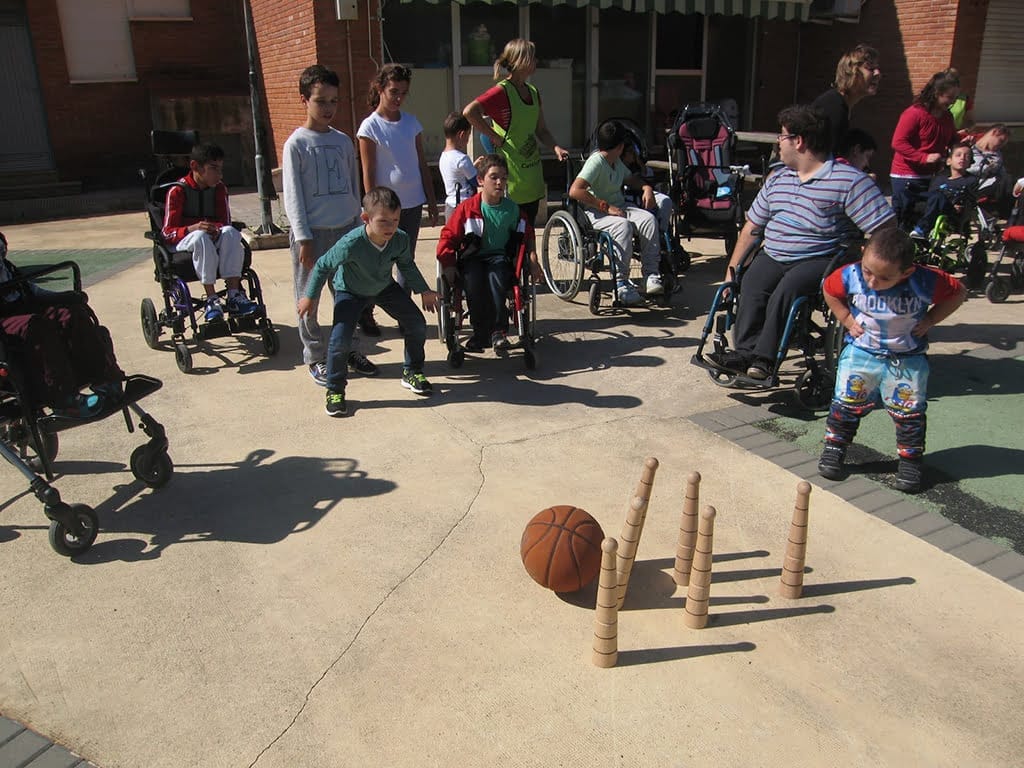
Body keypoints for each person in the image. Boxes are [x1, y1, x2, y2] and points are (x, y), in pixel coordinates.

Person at [710, 104, 896, 381]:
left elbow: (886, 229)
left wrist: (872, 268)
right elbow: (752, 228)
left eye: (781, 137)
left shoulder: (849, 181)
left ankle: (764, 360)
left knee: (789, 287)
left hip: (819, 258)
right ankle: (745, 353)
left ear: (799, 141)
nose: (778, 143)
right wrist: (732, 271)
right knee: (752, 282)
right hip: (774, 254)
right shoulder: (777, 179)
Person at [817, 228, 966, 493]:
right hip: (862, 352)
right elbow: (829, 289)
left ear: (906, 272)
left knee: (909, 413)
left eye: (884, 277)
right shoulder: (851, 274)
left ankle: (910, 462)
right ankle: (834, 447)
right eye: (868, 271)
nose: (873, 282)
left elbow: (958, 293)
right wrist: (847, 319)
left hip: (906, 359)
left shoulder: (925, 281)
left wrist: (931, 319)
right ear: (863, 255)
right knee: (846, 404)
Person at [297, 187, 438, 417]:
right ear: (366, 218)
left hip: (383, 287)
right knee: (340, 339)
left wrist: (423, 290)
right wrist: (310, 296)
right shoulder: (351, 243)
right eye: (383, 221)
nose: (390, 227)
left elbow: (406, 265)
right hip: (350, 291)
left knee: (416, 323)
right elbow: (323, 265)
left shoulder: (400, 239)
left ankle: (412, 371)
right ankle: (335, 390)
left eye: (395, 220)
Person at [283, 64, 377, 386]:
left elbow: (353, 189)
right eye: (321, 101)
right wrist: (304, 237)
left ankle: (349, 350)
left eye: (334, 101)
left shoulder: (341, 141)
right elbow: (293, 196)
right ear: (304, 100)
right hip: (313, 235)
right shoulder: (296, 144)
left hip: (345, 233)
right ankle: (315, 356)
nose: (328, 108)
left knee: (348, 296)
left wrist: (358, 228)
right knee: (309, 299)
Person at [0, 232, 123, 417]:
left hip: (20, 306)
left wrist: (64, 297)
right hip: (4, 321)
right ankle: (63, 398)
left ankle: (105, 378)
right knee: (36, 326)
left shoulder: (5, 266)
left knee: (71, 314)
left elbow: (28, 289)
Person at [357, 64, 438, 335]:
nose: (398, 97)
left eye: (404, 92)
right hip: (383, 209)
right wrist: (372, 208)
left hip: (412, 204)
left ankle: (404, 314)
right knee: (375, 262)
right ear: (380, 89)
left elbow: (421, 163)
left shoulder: (411, 122)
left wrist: (431, 199)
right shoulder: (370, 127)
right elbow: (368, 171)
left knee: (405, 258)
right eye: (393, 91)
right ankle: (366, 312)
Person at [436, 154, 542, 353]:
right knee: (473, 284)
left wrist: (533, 259)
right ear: (480, 180)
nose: (500, 182)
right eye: (494, 177)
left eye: (503, 177)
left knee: (497, 280)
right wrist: (449, 264)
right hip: (472, 258)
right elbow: (447, 237)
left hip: (499, 258)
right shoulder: (467, 209)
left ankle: (498, 332)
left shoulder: (513, 210)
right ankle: (480, 334)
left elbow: (527, 233)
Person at [463, 38, 570, 224]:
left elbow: (542, 130)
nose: (536, 61)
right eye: (532, 57)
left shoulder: (533, 91)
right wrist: (494, 137)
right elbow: (469, 112)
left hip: (532, 175)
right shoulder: (501, 92)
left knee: (528, 232)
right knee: (512, 235)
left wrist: (555, 148)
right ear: (520, 61)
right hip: (510, 178)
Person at [161, 143, 259, 323]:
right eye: (213, 169)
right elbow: (167, 233)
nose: (219, 175)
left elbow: (225, 222)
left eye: (221, 169)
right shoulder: (177, 191)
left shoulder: (219, 189)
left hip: (210, 236)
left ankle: (234, 295)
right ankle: (212, 299)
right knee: (200, 236)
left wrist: (216, 229)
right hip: (184, 241)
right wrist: (193, 228)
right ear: (195, 167)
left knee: (230, 232)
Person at [569, 120, 663, 306]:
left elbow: (630, 178)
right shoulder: (597, 161)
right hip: (596, 213)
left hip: (619, 208)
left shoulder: (615, 161)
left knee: (649, 219)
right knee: (623, 226)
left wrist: (646, 188)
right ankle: (621, 283)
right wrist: (605, 206)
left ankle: (650, 275)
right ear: (620, 146)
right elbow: (575, 191)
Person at [890, 69, 961, 231]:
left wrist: (963, 143)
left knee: (925, 217)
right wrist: (923, 157)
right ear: (937, 93)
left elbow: (952, 139)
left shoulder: (947, 117)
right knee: (903, 220)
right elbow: (898, 142)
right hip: (906, 175)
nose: (952, 102)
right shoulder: (914, 113)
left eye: (955, 99)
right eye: (949, 97)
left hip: (930, 176)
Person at [812, 44, 882, 156]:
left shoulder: (841, 104)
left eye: (877, 68)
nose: (878, 73)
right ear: (852, 71)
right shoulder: (833, 107)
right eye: (870, 68)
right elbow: (824, 158)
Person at [910, 142, 977, 239]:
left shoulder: (971, 180)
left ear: (970, 163)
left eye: (967, 156)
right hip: (933, 205)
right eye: (958, 155)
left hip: (951, 211)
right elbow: (929, 195)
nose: (962, 158)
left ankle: (922, 229)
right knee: (907, 194)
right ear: (949, 161)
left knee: (937, 196)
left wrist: (963, 205)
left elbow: (971, 199)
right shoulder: (939, 179)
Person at [439, 111, 479, 221]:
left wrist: (473, 166)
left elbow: (458, 174)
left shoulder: (443, 157)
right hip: (464, 206)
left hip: (450, 205)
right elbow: (476, 181)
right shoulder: (462, 158)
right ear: (462, 135)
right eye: (468, 136)